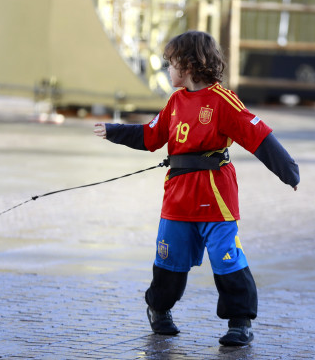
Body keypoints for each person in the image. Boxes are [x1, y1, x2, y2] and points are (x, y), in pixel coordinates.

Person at [93, 30, 299, 346]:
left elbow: (258, 136)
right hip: (178, 197)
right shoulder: (175, 102)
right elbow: (150, 136)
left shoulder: (223, 101)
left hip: (216, 197)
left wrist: (288, 171)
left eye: (171, 63)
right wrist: (113, 131)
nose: (168, 70)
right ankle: (158, 310)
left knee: (227, 257)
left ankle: (240, 322)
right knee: (169, 261)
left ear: (188, 65)